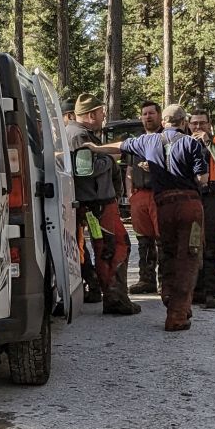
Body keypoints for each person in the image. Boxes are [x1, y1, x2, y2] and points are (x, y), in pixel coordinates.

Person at [117, 104, 210, 332]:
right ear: (184, 122)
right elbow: (202, 178)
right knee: (188, 258)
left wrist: (91, 147)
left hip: (164, 206)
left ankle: (170, 296)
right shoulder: (191, 143)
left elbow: (119, 146)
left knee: (167, 253)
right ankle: (177, 315)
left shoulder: (148, 141)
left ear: (164, 121)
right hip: (189, 207)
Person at [63, 95, 139, 316]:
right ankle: (115, 298)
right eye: (100, 112)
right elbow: (84, 169)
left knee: (108, 247)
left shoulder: (79, 134)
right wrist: (110, 156)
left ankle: (107, 293)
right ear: (91, 114)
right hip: (96, 204)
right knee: (114, 247)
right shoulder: (78, 135)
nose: (104, 115)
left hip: (96, 203)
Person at [188, 111, 215, 310]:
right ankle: (196, 290)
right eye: (194, 123)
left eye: (202, 123)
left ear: (209, 124)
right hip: (193, 198)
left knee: (213, 245)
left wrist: (207, 142)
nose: (198, 127)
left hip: (212, 199)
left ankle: (212, 292)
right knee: (193, 244)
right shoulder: (185, 142)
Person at [126, 100, 165, 294]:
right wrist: (129, 194)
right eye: (144, 114)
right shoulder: (137, 142)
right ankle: (146, 279)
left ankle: (165, 281)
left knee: (163, 238)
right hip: (139, 195)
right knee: (143, 240)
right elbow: (129, 169)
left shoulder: (167, 139)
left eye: (151, 113)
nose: (148, 117)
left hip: (160, 194)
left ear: (159, 115)